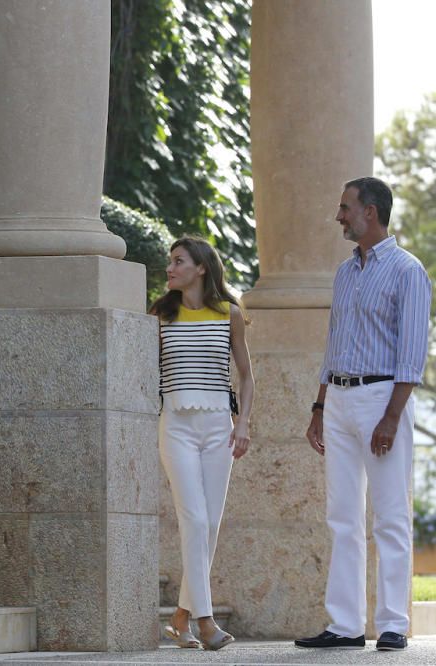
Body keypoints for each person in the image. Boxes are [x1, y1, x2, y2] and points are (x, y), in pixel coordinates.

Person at [296, 177, 431, 652]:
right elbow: (333, 346)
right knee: (342, 516)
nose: (339, 216)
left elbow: (412, 354)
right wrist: (318, 406)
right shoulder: (344, 273)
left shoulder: (408, 271)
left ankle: (393, 622)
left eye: (345, 207)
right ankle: (345, 625)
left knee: (390, 514)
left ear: (369, 212)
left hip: (382, 400)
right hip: (338, 400)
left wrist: (392, 418)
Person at [151, 237, 254, 651]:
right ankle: (205, 621)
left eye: (178, 262)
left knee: (209, 525)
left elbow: (246, 375)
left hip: (219, 428)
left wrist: (243, 422)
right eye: (170, 262)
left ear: (201, 269)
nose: (170, 268)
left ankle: (179, 619)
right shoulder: (160, 315)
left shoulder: (229, 314)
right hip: (174, 424)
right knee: (193, 519)